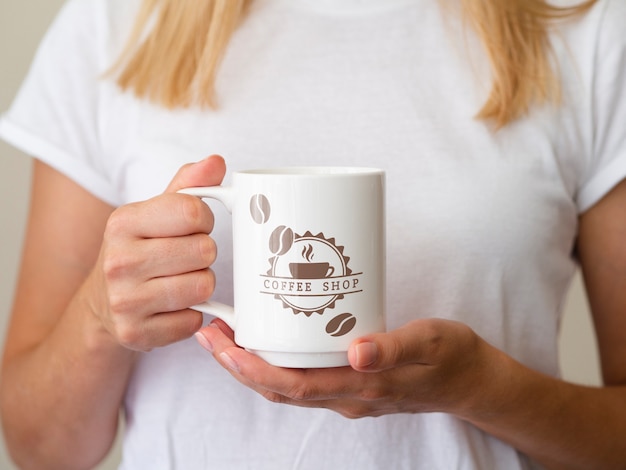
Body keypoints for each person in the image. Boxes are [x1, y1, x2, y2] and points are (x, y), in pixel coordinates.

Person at [1, 0, 625, 468]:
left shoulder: (583, 28)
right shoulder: (114, 21)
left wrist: (481, 388)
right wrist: (96, 316)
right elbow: (38, 447)